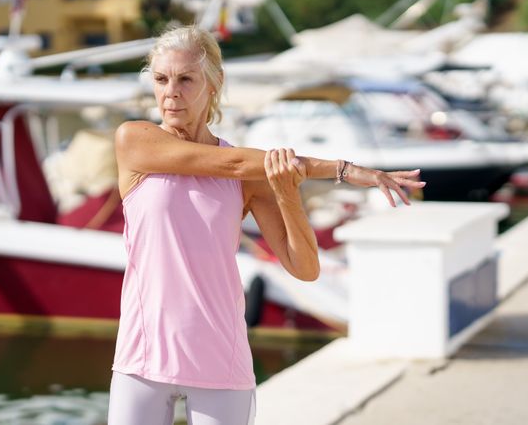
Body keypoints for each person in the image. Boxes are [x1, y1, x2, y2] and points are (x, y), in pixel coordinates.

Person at [107, 25, 425, 425]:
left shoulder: (253, 175)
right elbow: (233, 163)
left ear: (213, 84)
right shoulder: (136, 142)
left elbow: (305, 268)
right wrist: (344, 170)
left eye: (186, 79)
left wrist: (288, 192)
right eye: (161, 79)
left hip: (220, 354)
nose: (171, 91)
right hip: (142, 353)